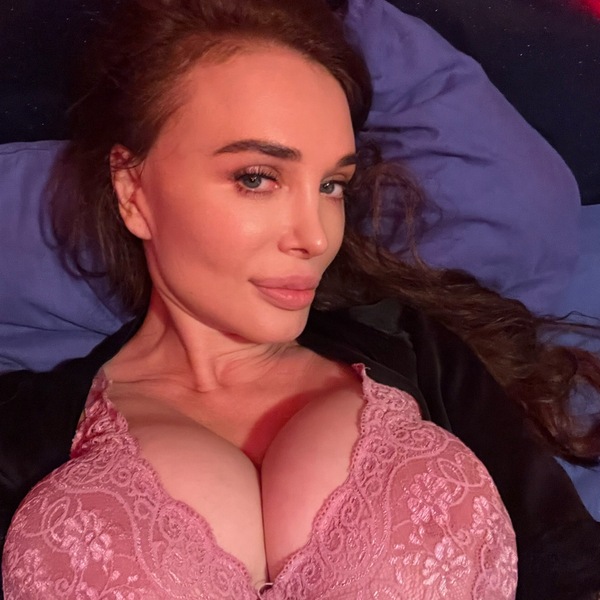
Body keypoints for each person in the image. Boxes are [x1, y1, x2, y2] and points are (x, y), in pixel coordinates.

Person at [0, 0, 599, 598]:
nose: (315, 237)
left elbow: (570, 564)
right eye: (256, 178)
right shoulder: (26, 428)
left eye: (332, 185)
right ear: (133, 190)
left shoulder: (412, 343)